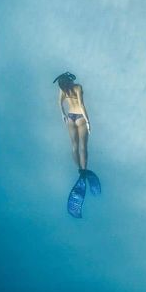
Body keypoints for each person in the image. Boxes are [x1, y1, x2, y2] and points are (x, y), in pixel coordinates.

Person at [53, 72, 100, 218]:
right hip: (79, 117)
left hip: (70, 117)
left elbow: (59, 103)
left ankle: (80, 170)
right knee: (83, 147)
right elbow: (81, 104)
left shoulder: (62, 89)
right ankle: (84, 170)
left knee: (74, 146)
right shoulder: (78, 87)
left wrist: (62, 114)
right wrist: (88, 121)